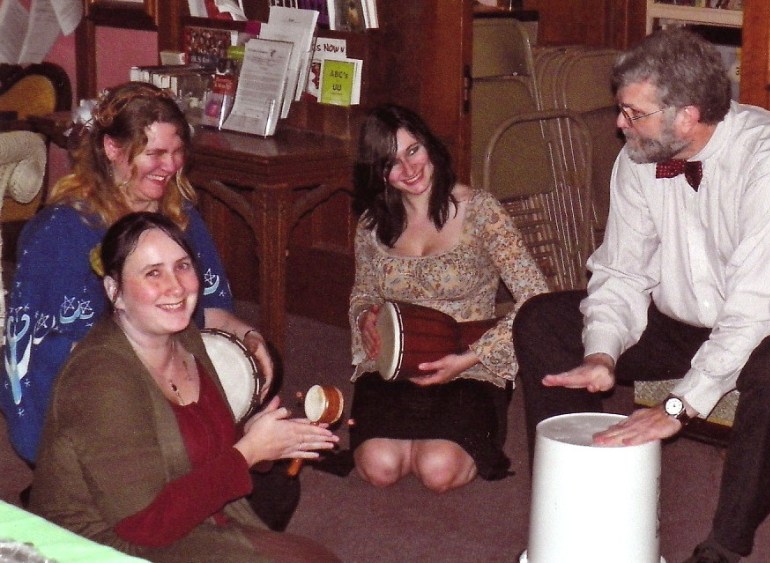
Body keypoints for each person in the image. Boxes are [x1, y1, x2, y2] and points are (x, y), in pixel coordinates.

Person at [512, 28, 770, 563]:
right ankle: (573, 509)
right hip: (691, 317)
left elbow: (758, 312)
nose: (620, 123)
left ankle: (722, 549)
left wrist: (679, 406)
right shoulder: (642, 155)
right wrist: (602, 350)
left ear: (687, 114)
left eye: (632, 112)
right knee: (543, 321)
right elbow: (621, 270)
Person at [0, 82, 293, 530]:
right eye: (153, 153)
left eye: (176, 152)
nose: (170, 166)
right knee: (226, 493)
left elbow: (211, 310)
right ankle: (75, 488)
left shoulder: (180, 216)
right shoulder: (62, 231)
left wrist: (250, 341)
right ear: (112, 148)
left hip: (172, 375)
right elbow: (52, 355)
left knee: (271, 485)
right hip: (103, 399)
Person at [29, 212, 341, 562]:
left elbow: (202, 446)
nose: (176, 287)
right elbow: (143, 525)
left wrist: (256, 439)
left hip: (185, 514)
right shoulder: (99, 378)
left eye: (182, 266)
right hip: (108, 544)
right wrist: (248, 452)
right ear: (114, 291)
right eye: (153, 273)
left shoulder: (186, 337)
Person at [348, 104, 549, 492]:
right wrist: (363, 319)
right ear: (378, 173)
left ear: (429, 145)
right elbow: (363, 292)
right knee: (379, 466)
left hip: (469, 360)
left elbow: (535, 300)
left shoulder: (481, 210)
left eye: (413, 150)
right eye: (391, 163)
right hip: (395, 362)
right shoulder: (372, 225)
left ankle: (455, 431)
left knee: (438, 469)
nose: (409, 170)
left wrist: (471, 357)